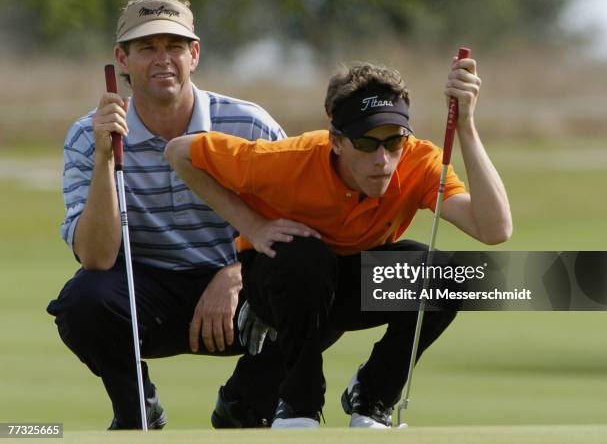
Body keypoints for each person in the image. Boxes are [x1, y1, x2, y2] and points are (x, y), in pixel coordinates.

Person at [165, 59, 513, 428]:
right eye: (366, 143)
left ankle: (371, 397)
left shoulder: (419, 161)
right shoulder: (287, 159)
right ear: (337, 141)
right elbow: (179, 152)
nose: (382, 159)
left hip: (348, 285)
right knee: (306, 258)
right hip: (282, 280)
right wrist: (253, 225)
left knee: (452, 275)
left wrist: (466, 128)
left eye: (394, 140)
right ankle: (299, 404)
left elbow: (494, 229)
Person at [46, 0, 304, 430]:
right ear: (121, 59)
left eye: (175, 47)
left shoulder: (250, 125)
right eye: (147, 48)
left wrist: (235, 272)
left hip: (239, 295)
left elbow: (296, 227)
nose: (163, 59)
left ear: (195, 54)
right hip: (147, 296)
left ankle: (245, 404)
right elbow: (96, 258)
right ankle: (137, 410)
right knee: (83, 301)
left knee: (309, 279)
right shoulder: (87, 136)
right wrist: (107, 158)